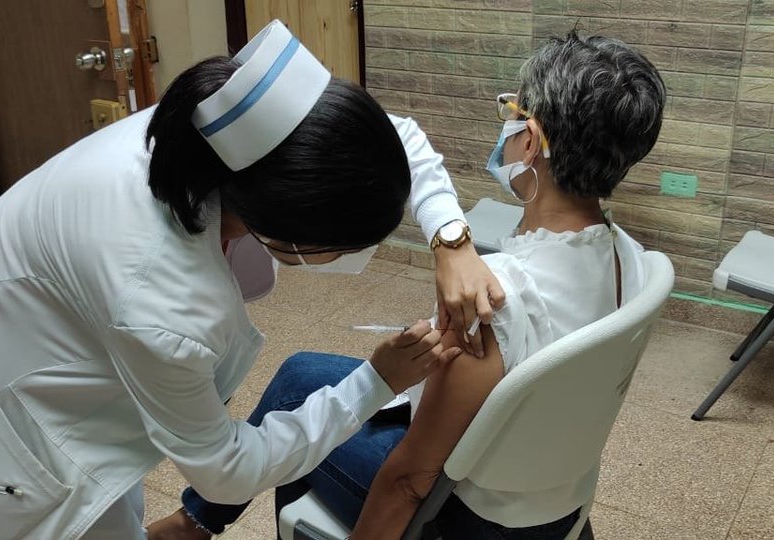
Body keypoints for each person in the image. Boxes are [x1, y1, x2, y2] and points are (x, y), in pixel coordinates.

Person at [0, 21, 503, 539]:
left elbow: (401, 138)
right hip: (3, 429)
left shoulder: (239, 132)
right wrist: (375, 382)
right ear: (286, 230)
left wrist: (453, 242)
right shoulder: (161, 297)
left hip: (35, 321)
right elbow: (228, 471)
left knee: (116, 493)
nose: (354, 257)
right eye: (345, 246)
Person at [158, 31, 666, 539]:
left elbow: (409, 481)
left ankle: (199, 523)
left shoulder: (493, 303)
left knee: (300, 425)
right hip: (552, 495)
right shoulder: (628, 256)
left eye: (511, 111)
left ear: (529, 141)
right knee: (300, 373)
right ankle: (195, 521)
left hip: (466, 516)